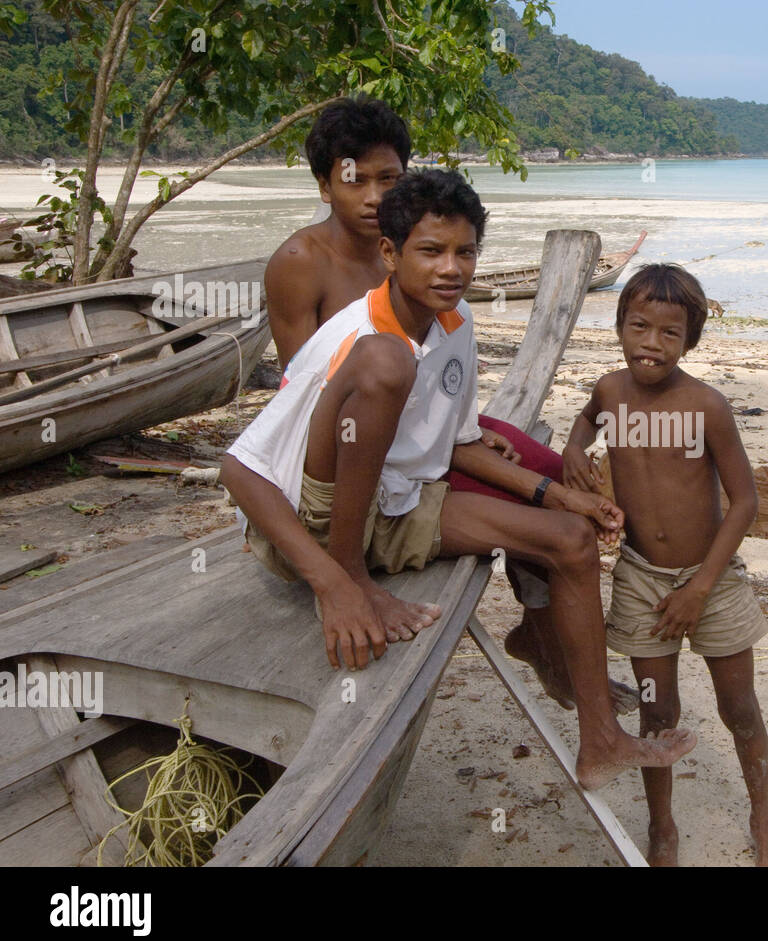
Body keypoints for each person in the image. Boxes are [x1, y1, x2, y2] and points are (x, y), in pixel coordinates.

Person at [221, 170, 696, 789]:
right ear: (389, 254)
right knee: (385, 362)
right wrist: (338, 584)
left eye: (465, 251)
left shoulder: (456, 322)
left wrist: (558, 494)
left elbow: (454, 443)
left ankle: (601, 740)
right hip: (310, 521)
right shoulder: (358, 335)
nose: (451, 268)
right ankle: (355, 571)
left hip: (397, 504)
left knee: (572, 541)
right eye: (430, 251)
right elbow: (239, 470)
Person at [263, 95, 633, 714]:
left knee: (542, 469)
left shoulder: (424, 244)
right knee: (517, 494)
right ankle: (546, 641)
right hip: (359, 442)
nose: (373, 195)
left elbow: (442, 359)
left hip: (424, 419)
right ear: (325, 186)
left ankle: (541, 632)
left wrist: (460, 431)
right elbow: (307, 391)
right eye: (355, 180)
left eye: (389, 178)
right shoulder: (303, 263)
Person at [562, 264, 768, 864]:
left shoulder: (707, 406)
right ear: (619, 327)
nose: (651, 344)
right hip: (639, 576)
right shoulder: (610, 392)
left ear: (690, 340)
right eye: (639, 327)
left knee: (738, 705)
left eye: (670, 333)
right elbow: (587, 418)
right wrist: (572, 447)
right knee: (658, 709)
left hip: (710, 579)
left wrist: (700, 588)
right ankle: (663, 827)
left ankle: (762, 815)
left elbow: (745, 502)